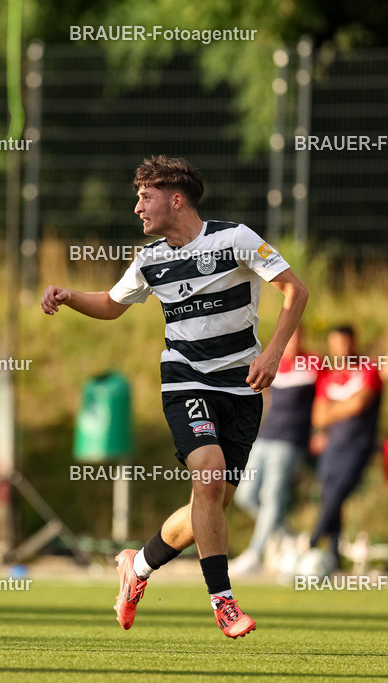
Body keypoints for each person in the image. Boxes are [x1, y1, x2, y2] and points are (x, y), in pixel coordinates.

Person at [40, 155, 308, 638]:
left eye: (145, 197)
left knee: (213, 504)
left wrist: (271, 354)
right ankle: (224, 603)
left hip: (241, 384)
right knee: (207, 481)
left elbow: (295, 290)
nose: (138, 208)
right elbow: (110, 304)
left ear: (175, 198)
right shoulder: (149, 260)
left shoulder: (236, 239)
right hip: (185, 377)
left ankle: (137, 566)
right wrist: (68, 295)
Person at [229, 327, 318, 575]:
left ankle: (255, 554)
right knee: (245, 496)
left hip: (291, 441)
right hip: (264, 437)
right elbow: (263, 397)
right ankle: (288, 536)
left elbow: (327, 394)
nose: (294, 341)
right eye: (289, 337)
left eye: (298, 336)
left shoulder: (313, 364)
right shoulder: (274, 363)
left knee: (272, 497)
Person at [305, 325, 382, 569]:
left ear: (354, 342)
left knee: (338, 492)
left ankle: (311, 543)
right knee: (329, 496)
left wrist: (333, 409)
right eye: (336, 344)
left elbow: (359, 405)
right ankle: (333, 558)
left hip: (358, 446)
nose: (341, 348)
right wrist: (344, 407)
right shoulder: (328, 376)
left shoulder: (368, 370)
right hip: (332, 446)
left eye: (346, 342)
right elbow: (318, 417)